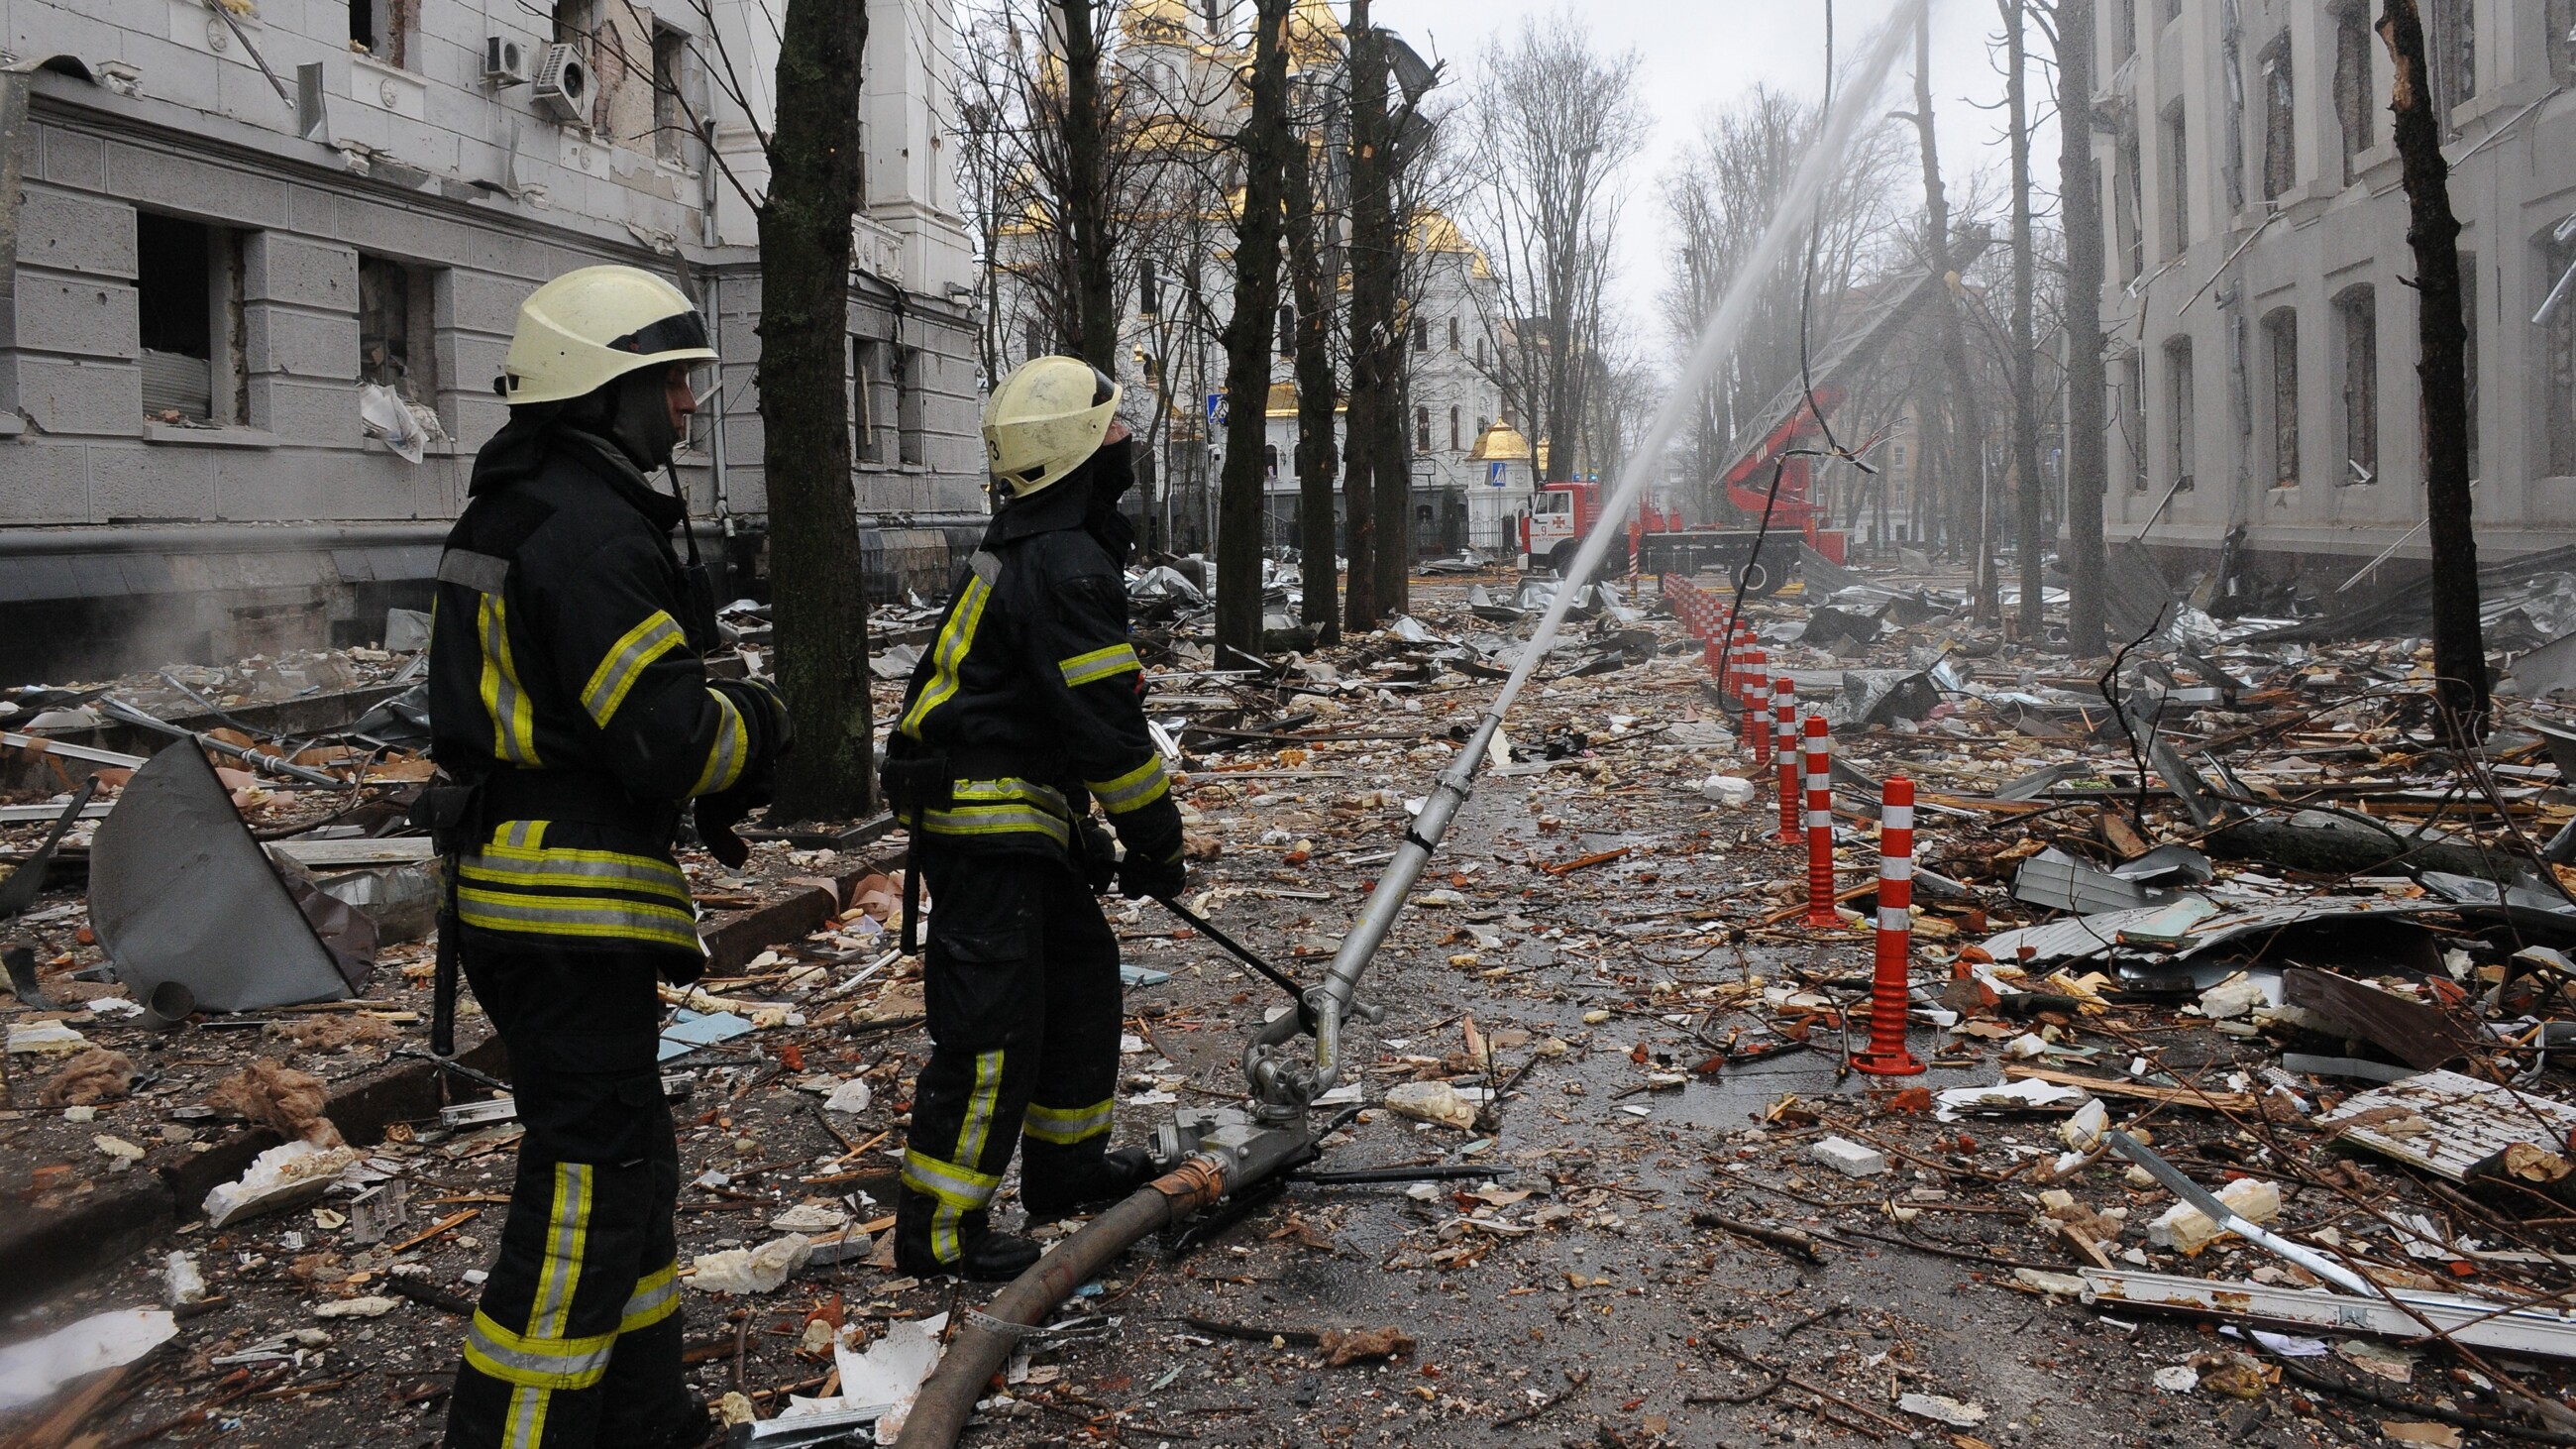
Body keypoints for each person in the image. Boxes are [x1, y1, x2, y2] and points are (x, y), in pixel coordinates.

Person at [429, 265, 788, 1449]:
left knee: (626, 1163)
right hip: (565, 903)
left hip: (522, 893)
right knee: (589, 1178)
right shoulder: (586, 532)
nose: (686, 406)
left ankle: (644, 1419)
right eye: (668, 383)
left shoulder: (522, 505)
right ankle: (513, 1432)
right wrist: (762, 733)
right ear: (600, 391)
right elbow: (663, 732)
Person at [881, 355, 1186, 1281]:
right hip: (984, 824)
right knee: (991, 1027)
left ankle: (1066, 1168)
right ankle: (937, 1230)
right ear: (1080, 452)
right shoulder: (1062, 560)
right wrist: (1155, 841)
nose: (1127, 443)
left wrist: (1081, 836)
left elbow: (1038, 716)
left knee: (1084, 981)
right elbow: (1105, 729)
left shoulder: (1042, 544)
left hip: (1009, 815)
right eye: (1114, 430)